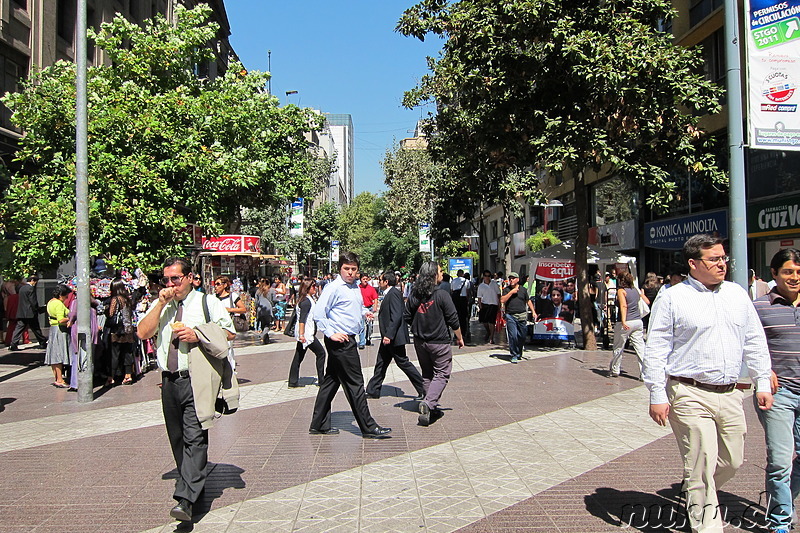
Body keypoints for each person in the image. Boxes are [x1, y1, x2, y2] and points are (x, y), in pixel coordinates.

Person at [642, 234, 773, 533]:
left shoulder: (737, 294)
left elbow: (754, 339)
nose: (722, 264)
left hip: (729, 394)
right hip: (687, 392)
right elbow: (657, 347)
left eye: (723, 258)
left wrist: (762, 380)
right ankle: (707, 525)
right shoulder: (673, 296)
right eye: (714, 259)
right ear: (693, 263)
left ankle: (694, 488)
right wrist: (656, 393)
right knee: (701, 461)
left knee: (732, 460)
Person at [137, 257, 238, 523]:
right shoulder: (163, 306)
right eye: (166, 280)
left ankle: (185, 499)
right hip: (169, 382)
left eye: (176, 279)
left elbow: (229, 333)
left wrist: (197, 334)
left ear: (190, 278)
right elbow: (143, 333)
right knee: (178, 438)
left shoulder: (207, 302)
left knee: (195, 436)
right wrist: (160, 303)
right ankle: (194, 482)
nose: (171, 285)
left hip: (197, 379)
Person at [309, 251, 392, 439]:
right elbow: (319, 314)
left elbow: (350, 307)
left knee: (331, 381)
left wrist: (364, 312)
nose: (350, 273)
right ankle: (368, 427)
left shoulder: (354, 287)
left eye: (353, 269)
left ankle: (319, 423)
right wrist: (331, 333)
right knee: (356, 383)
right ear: (340, 269)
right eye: (346, 269)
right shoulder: (333, 288)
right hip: (341, 341)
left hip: (350, 338)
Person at [753, 249, 800, 533]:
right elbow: (748, 345)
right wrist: (764, 369)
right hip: (779, 393)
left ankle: (783, 504)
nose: (795, 277)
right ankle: (780, 521)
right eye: (788, 272)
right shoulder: (760, 307)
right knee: (781, 462)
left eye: (798, 271)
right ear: (774, 274)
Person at [405, 261, 464, 426]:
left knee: (427, 373)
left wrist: (419, 326)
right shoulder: (442, 295)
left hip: (420, 341)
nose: (442, 273)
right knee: (442, 373)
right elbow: (453, 319)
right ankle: (429, 403)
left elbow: (407, 316)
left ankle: (430, 406)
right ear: (432, 275)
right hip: (439, 342)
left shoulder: (414, 295)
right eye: (440, 271)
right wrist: (459, 337)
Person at [366, 271, 424, 400]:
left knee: (403, 362)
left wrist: (389, 335)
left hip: (393, 337)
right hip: (388, 336)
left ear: (386, 282)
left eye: (380, 280)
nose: (379, 282)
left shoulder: (394, 294)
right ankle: (373, 390)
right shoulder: (390, 294)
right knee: (381, 363)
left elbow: (397, 315)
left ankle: (423, 388)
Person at [607, 271, 646, 378]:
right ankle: (645, 373)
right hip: (638, 321)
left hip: (626, 321)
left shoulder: (621, 291)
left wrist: (623, 321)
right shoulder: (635, 290)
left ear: (620, 280)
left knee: (618, 346)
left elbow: (623, 306)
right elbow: (646, 301)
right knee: (640, 348)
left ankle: (615, 369)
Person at [288, 279, 326, 388]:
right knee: (321, 353)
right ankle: (321, 380)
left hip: (306, 333)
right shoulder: (306, 302)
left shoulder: (307, 299)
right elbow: (302, 320)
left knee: (298, 356)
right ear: (308, 288)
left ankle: (293, 381)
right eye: (313, 286)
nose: (315, 288)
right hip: (307, 334)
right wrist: (302, 335)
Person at [500, 272, 536, 363]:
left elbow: (528, 301)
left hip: (522, 315)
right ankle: (514, 354)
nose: (511, 280)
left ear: (518, 280)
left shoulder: (523, 290)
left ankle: (519, 352)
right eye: (510, 278)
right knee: (513, 336)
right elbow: (502, 300)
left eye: (513, 278)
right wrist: (511, 292)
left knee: (522, 336)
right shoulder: (507, 290)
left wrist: (533, 312)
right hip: (510, 315)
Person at [106, 279, 136, 386]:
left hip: (118, 331)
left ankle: (111, 378)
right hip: (128, 330)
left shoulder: (116, 299)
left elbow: (111, 313)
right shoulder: (127, 299)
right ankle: (128, 376)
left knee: (114, 354)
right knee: (127, 353)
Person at [213, 275, 245, 371]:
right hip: (216, 327)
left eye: (218, 284)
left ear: (225, 285)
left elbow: (243, 309)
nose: (216, 286)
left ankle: (231, 368)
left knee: (228, 347)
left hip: (228, 326)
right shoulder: (213, 298)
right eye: (215, 284)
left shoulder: (232, 296)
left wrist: (230, 310)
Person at [44, 285, 73, 388]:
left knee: (54, 354)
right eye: (66, 297)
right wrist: (70, 318)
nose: (66, 299)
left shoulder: (50, 302)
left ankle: (57, 378)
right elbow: (61, 319)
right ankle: (60, 379)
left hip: (53, 329)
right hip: (60, 330)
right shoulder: (59, 304)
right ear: (61, 295)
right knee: (59, 354)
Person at [9, 275, 48, 350]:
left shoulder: (21, 288)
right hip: (30, 313)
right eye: (35, 282)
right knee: (36, 328)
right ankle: (42, 342)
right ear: (33, 280)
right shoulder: (30, 288)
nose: (35, 284)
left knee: (18, 329)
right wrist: (38, 309)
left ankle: (13, 344)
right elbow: (33, 301)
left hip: (22, 312)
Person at [476, 270, 501, 344]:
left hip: (493, 304)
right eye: (485, 276)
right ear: (483, 276)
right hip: (485, 304)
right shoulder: (481, 286)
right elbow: (479, 297)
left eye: (489, 276)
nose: (487, 277)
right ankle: (488, 332)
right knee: (484, 322)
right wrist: (480, 306)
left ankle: (491, 338)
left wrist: (499, 304)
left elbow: (498, 294)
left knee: (492, 322)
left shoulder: (494, 284)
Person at [358, 273, 378, 349]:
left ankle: (368, 338)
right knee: (361, 326)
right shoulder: (357, 288)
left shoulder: (371, 288)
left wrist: (375, 307)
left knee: (370, 326)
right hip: (361, 309)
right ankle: (362, 342)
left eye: (366, 279)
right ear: (360, 280)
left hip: (369, 308)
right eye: (363, 279)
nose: (365, 280)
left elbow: (375, 298)